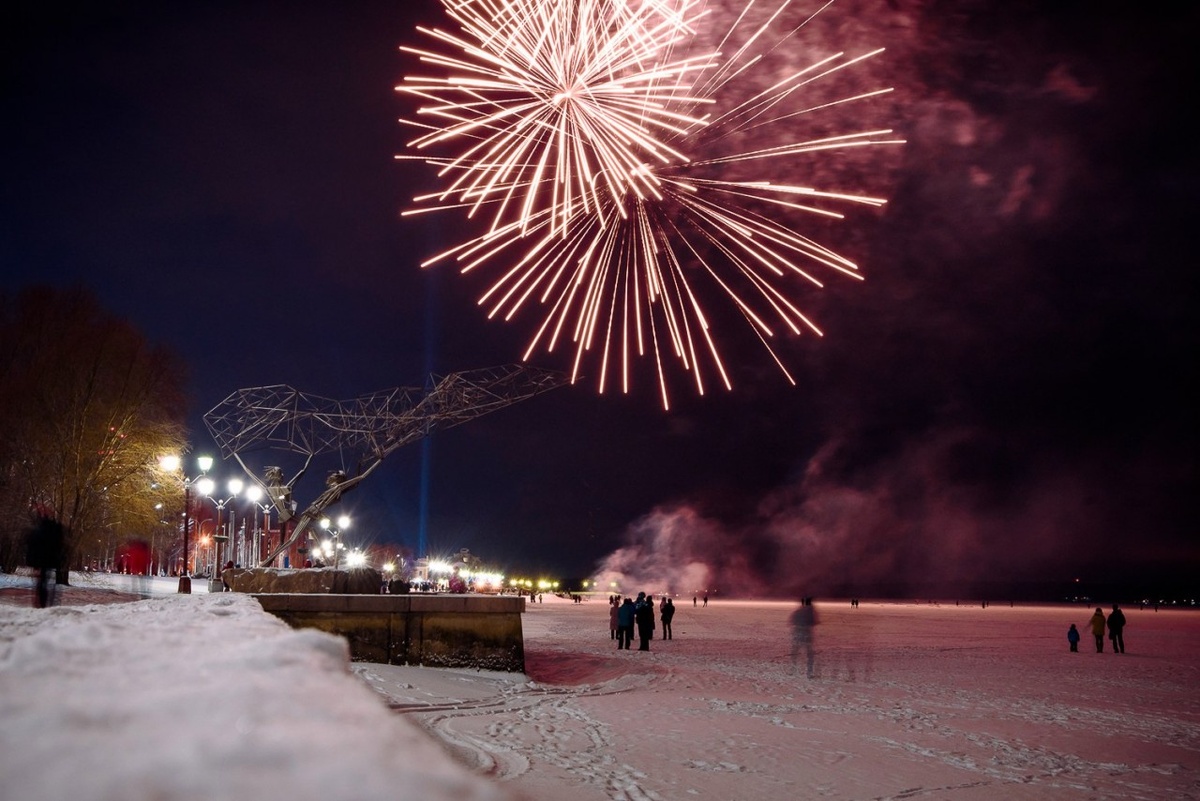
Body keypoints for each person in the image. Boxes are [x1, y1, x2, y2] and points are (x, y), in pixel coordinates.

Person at [27, 514, 66, 609]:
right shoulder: (55, 531)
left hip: (41, 561)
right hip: (51, 561)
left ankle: (41, 603)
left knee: (41, 582)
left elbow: (32, 547)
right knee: (47, 582)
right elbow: (60, 547)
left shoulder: (38, 532)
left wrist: (34, 564)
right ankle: (47, 603)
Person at [790, 597, 817, 677]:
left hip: (797, 633)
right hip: (806, 634)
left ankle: (793, 670)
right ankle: (809, 673)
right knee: (809, 654)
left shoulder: (797, 611)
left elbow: (792, 621)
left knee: (795, 652)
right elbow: (813, 622)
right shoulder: (810, 612)